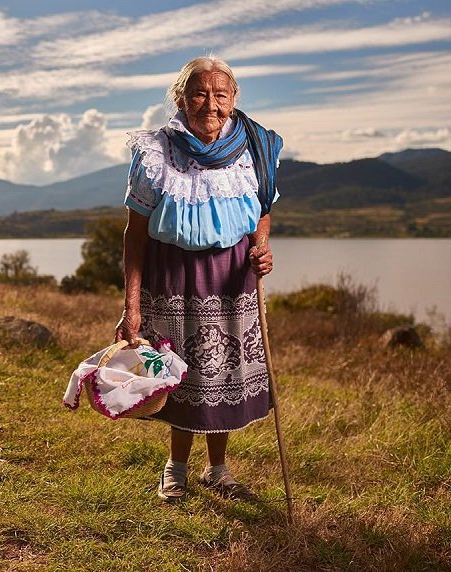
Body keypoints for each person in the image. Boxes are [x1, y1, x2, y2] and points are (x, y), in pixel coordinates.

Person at [115, 56, 282, 502]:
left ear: (233, 100)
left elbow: (262, 210)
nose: (210, 103)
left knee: (220, 373)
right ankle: (177, 467)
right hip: (172, 276)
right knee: (180, 375)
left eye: (220, 94)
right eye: (199, 93)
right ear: (181, 98)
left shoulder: (257, 146)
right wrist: (130, 307)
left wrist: (261, 247)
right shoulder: (156, 152)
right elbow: (135, 232)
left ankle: (218, 469)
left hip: (233, 278)